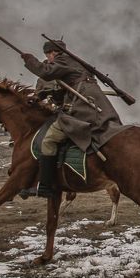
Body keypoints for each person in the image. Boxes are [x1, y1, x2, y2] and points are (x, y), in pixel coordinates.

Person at [17, 39, 124, 198]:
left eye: (48, 55)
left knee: (49, 140)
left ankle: (45, 185)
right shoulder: (74, 63)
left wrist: (29, 59)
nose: (48, 58)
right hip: (96, 106)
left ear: (53, 52)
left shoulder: (62, 60)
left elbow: (45, 72)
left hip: (82, 107)